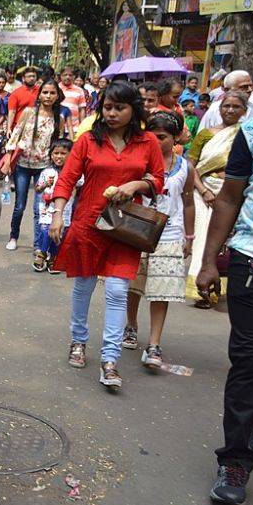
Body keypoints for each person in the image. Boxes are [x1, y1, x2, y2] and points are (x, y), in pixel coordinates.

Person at [49, 81, 165, 390]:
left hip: (126, 229)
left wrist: (135, 186)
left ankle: (110, 359)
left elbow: (158, 180)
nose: (111, 113)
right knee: (84, 285)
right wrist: (58, 214)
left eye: (119, 108)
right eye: (107, 107)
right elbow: (67, 179)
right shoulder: (88, 140)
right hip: (88, 223)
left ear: (133, 109)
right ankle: (78, 340)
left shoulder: (148, 142)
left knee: (116, 290)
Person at [196, 116, 253, 505]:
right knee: (249, 361)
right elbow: (230, 197)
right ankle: (236, 460)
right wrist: (207, 261)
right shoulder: (252, 132)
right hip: (251, 262)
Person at [122, 112, 197, 365]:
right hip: (137, 230)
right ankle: (130, 326)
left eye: (162, 137)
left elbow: (187, 203)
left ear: (175, 138)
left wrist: (189, 236)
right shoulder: (138, 161)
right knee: (133, 285)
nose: (156, 140)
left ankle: (154, 344)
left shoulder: (186, 167)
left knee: (161, 291)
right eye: (152, 135)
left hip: (170, 234)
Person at [186, 90, 250, 307]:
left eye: (236, 107)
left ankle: (218, 288)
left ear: (245, 111)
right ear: (219, 108)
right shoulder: (205, 135)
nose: (230, 110)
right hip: (203, 192)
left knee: (228, 240)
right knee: (204, 238)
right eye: (226, 106)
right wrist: (203, 190)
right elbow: (191, 166)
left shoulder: (246, 134)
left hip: (232, 194)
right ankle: (199, 290)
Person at [1, 79, 68, 252]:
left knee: (41, 209)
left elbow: (59, 145)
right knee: (20, 206)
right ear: (39, 95)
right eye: (45, 92)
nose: (48, 96)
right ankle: (13, 236)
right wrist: (8, 159)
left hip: (44, 167)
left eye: (52, 93)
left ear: (57, 96)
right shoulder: (28, 112)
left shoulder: (58, 118)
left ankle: (39, 246)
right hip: (23, 165)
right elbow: (15, 136)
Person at [32, 139, 76, 273]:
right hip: (47, 207)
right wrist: (46, 185)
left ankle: (53, 259)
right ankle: (42, 254)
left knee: (58, 234)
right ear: (51, 155)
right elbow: (38, 189)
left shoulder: (74, 172)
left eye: (63, 153)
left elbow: (79, 186)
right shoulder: (47, 172)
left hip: (64, 208)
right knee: (45, 230)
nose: (59, 156)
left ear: (71, 154)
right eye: (56, 153)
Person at [7, 66, 40, 131]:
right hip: (19, 128)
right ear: (23, 78)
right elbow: (12, 112)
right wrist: (9, 128)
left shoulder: (41, 92)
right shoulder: (15, 93)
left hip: (36, 127)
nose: (32, 78)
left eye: (34, 76)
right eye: (29, 76)